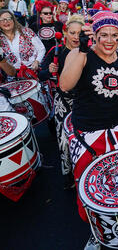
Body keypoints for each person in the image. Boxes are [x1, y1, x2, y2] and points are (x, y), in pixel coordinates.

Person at [59, 12, 118, 245]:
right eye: (103, 35)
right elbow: (65, 85)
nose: (109, 40)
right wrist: (81, 50)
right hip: (88, 132)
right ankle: (98, 231)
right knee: (94, 188)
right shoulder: (79, 54)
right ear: (95, 36)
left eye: (114, 35)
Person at [38, 14, 83, 189]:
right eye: (72, 32)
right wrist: (49, 70)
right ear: (65, 33)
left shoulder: (87, 51)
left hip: (84, 100)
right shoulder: (56, 51)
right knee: (64, 138)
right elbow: (41, 74)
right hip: (63, 100)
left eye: (79, 33)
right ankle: (69, 174)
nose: (76, 37)